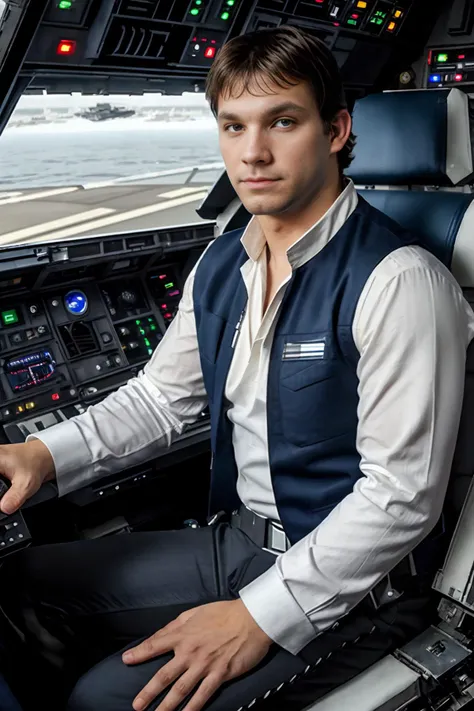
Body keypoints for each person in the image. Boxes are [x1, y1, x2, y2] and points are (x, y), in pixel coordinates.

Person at [1, 24, 474, 711]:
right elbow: (162, 399)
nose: (252, 152)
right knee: (16, 585)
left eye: (282, 122)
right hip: (238, 542)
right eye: (233, 126)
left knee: (104, 700)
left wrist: (258, 615)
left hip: (366, 588)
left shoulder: (399, 280)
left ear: (336, 130)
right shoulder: (224, 261)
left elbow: (398, 496)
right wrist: (42, 453)